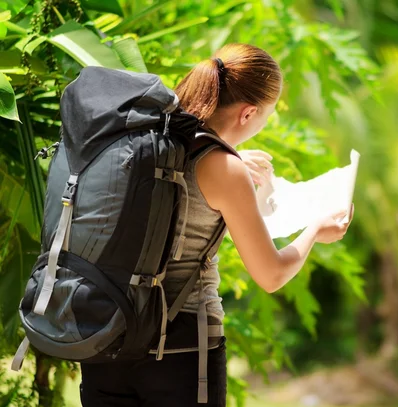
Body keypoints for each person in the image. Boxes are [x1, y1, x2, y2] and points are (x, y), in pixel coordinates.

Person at [79, 43, 353, 407]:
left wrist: (234, 158)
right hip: (179, 348)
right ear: (248, 113)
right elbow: (271, 275)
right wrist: (315, 230)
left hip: (104, 335)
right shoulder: (225, 168)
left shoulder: (145, 140)